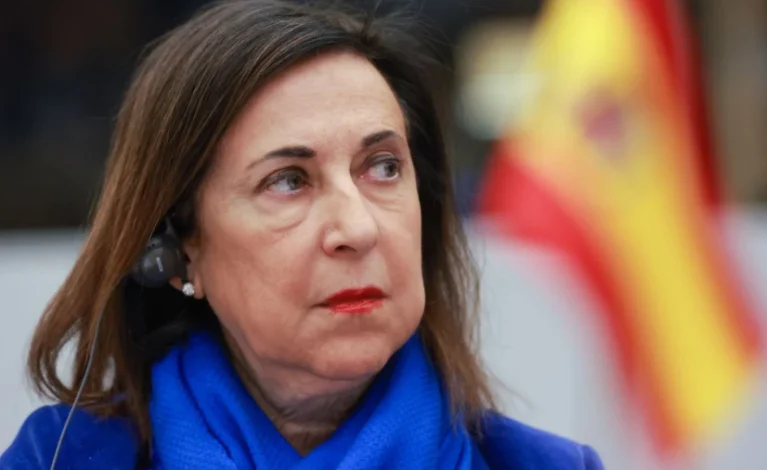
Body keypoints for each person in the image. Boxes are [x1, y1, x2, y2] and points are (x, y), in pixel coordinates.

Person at [1, 1, 604, 469]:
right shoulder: (60, 459)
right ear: (180, 250)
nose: (358, 228)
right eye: (288, 181)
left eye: (383, 168)